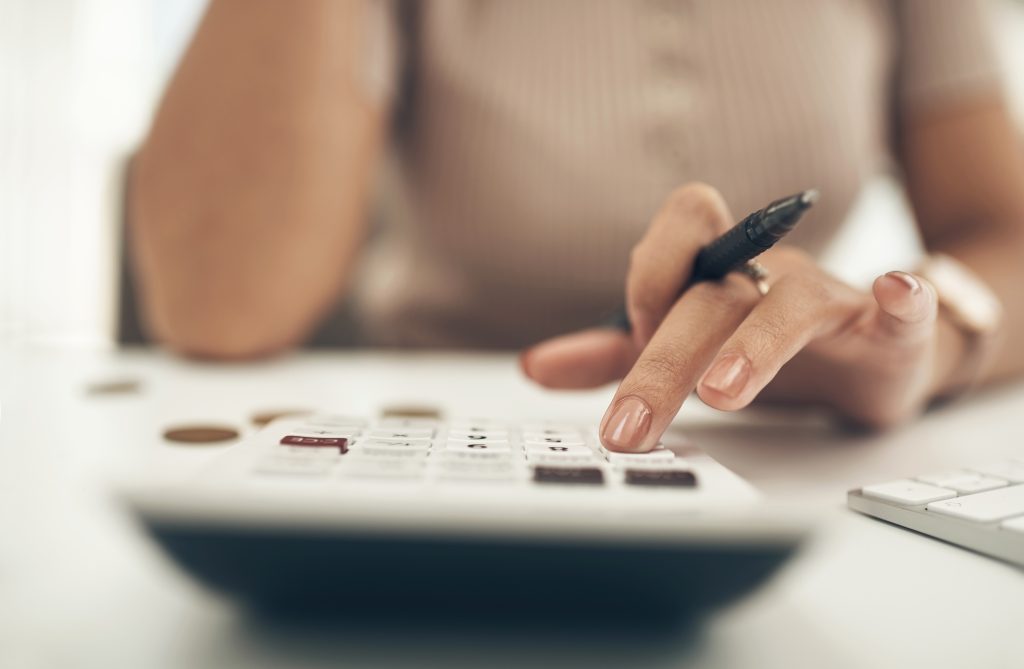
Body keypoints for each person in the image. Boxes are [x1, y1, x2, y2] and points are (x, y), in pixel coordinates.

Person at [129, 0, 1024, 453]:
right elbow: (220, 301)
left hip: (784, 447)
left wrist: (928, 339)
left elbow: (1006, 231)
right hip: (438, 440)